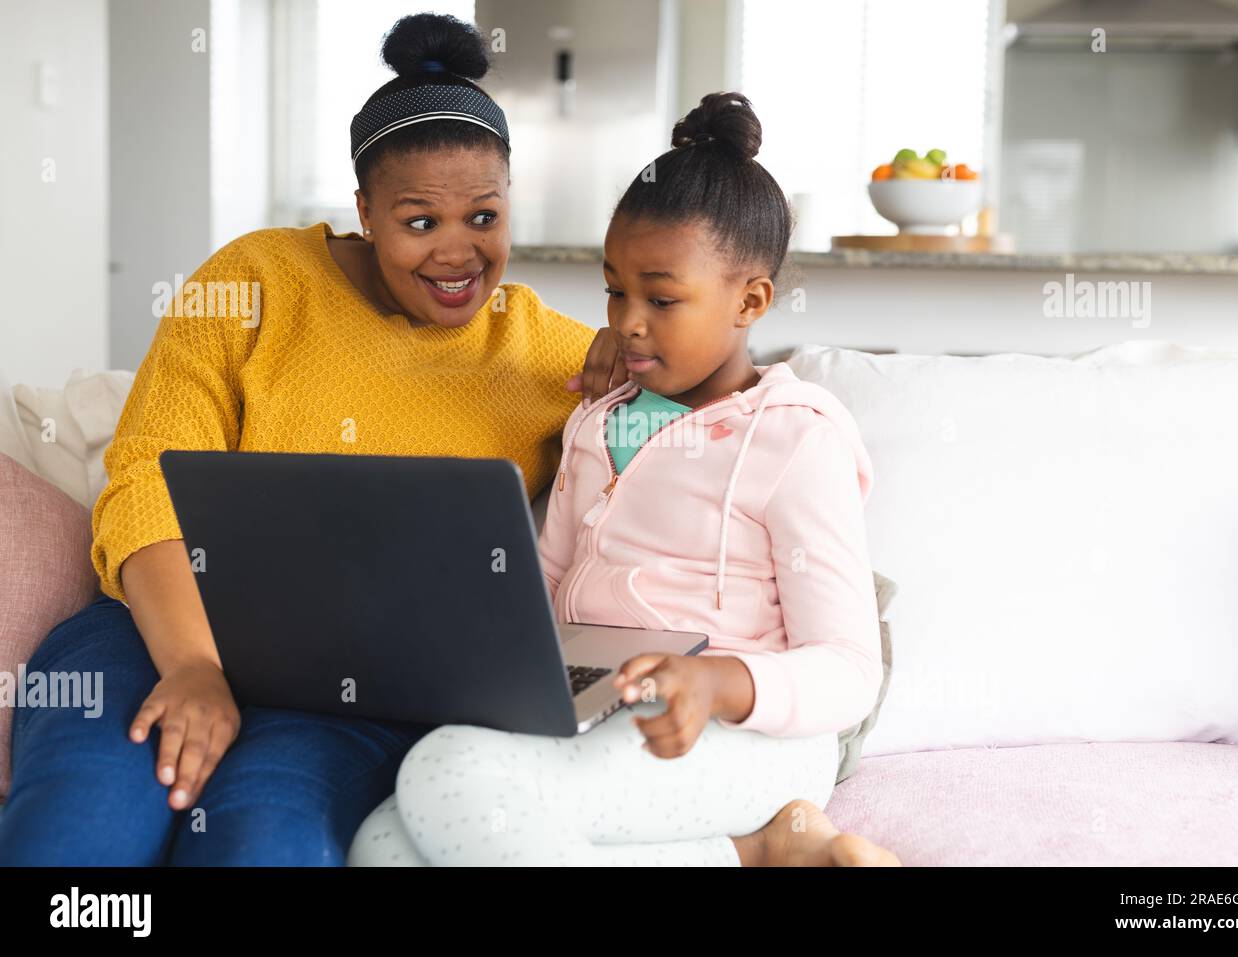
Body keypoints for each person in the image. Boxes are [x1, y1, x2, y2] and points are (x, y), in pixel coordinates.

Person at [0, 13, 625, 866]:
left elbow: (689, 442)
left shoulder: (543, 350)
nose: (458, 254)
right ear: (365, 210)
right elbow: (145, 475)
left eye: (483, 215)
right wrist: (193, 667)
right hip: (158, 630)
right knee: (81, 832)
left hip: (354, 689)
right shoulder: (252, 281)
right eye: (418, 222)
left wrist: (646, 378)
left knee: (263, 843)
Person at [349, 93, 901, 867]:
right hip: (594, 709)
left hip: (745, 738)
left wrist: (715, 683)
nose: (628, 320)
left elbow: (847, 669)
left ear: (751, 300)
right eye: (615, 289)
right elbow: (542, 584)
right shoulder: (598, 420)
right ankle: (753, 856)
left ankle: (765, 839)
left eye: (662, 297)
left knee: (445, 772)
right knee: (381, 847)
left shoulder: (794, 436)